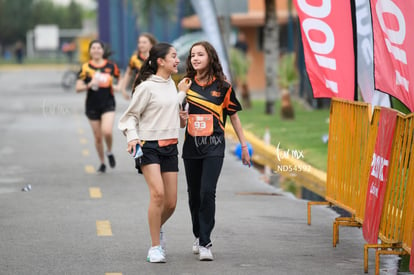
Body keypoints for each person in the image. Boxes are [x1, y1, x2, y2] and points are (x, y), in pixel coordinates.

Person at [118, 42, 190, 263]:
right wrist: (132, 137)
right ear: (161, 61)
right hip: (148, 145)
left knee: (171, 204)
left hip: (170, 146)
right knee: (157, 194)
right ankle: (155, 247)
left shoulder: (171, 85)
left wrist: (181, 105)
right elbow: (129, 117)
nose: (178, 60)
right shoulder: (146, 87)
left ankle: (156, 228)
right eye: (174, 57)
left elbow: (169, 110)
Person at [181, 41, 251, 261]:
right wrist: (181, 118)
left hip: (214, 146)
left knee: (207, 192)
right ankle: (198, 234)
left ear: (210, 57)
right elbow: (181, 121)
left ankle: (205, 242)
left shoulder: (223, 87)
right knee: (194, 196)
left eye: (200, 54)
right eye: (193, 55)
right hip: (191, 147)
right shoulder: (185, 85)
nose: (195, 58)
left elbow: (235, 117)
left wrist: (244, 145)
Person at [75, 39, 120, 173]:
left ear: (102, 50)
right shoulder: (85, 67)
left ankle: (110, 152)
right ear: (90, 51)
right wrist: (89, 84)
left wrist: (119, 87)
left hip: (108, 103)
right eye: (93, 48)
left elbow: (120, 78)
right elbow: (78, 87)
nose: (96, 50)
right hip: (92, 105)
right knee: (98, 137)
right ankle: (102, 162)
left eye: (98, 48)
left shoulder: (111, 66)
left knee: (107, 131)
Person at [120, 33, 157, 100]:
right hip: (138, 90)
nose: (141, 45)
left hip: (154, 91)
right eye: (139, 42)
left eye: (144, 42)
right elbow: (128, 73)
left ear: (151, 44)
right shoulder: (134, 58)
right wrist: (123, 89)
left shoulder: (157, 58)